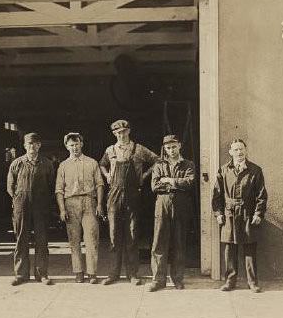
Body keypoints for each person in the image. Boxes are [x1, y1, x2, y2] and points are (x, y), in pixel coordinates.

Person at [99, 119, 159, 285]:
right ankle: (113, 273)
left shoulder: (138, 149)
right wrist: (107, 175)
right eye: (118, 133)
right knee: (113, 234)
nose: (121, 135)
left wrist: (143, 176)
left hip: (132, 195)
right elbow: (102, 165)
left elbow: (157, 160)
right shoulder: (110, 150)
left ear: (129, 131)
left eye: (124, 132)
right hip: (114, 195)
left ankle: (133, 274)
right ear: (114, 134)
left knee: (132, 234)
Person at [211, 138, 267, 293]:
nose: (239, 152)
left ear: (246, 150)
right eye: (235, 150)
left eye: (241, 149)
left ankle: (252, 282)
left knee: (249, 247)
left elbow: (261, 195)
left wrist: (258, 213)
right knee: (229, 248)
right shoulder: (223, 170)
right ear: (230, 152)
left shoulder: (255, 170)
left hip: (247, 213)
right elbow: (216, 195)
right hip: (229, 213)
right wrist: (218, 213)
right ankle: (230, 281)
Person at [6, 132, 56, 286]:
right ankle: (21, 274)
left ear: (39, 145)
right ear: (24, 146)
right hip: (22, 205)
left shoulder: (47, 163)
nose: (32, 146)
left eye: (35, 143)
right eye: (29, 144)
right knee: (21, 239)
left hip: (41, 206)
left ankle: (42, 274)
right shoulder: (17, 163)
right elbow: (10, 186)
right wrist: (19, 199)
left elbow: (51, 185)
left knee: (42, 240)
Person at [55, 132, 106, 284]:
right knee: (74, 240)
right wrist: (62, 209)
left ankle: (92, 273)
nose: (74, 147)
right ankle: (78, 271)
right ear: (66, 146)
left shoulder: (92, 163)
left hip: (89, 202)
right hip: (70, 204)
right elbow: (59, 190)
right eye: (71, 145)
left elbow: (100, 185)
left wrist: (99, 204)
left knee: (91, 239)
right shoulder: (63, 166)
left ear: (81, 144)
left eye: (77, 144)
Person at [148, 134, 196, 291]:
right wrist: (176, 184)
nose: (171, 150)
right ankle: (158, 280)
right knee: (159, 243)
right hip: (162, 206)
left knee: (179, 243)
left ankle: (177, 278)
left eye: (174, 146)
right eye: (168, 148)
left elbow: (189, 183)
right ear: (164, 149)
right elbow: (155, 186)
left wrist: (169, 180)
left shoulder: (188, 164)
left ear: (180, 146)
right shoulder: (159, 165)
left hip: (181, 207)